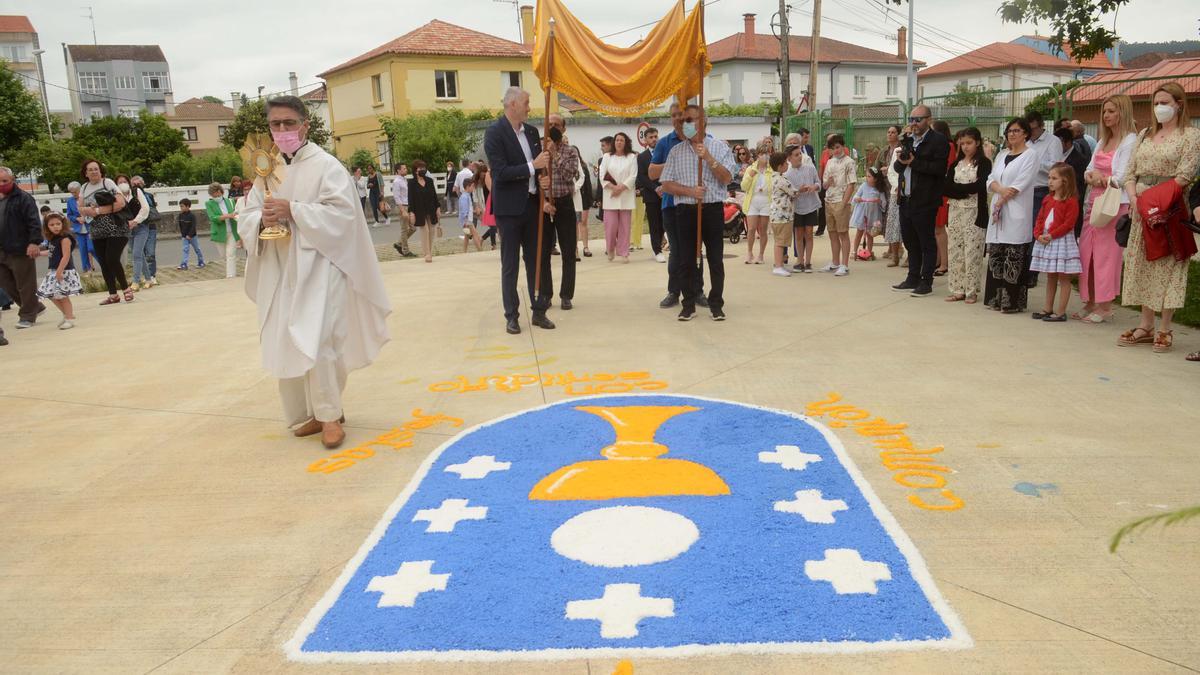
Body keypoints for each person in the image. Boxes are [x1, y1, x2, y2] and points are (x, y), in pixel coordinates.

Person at [237, 95, 391, 450]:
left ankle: (331, 415)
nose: (282, 130)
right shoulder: (267, 168)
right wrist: (264, 218)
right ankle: (311, 414)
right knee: (289, 337)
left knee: (321, 338)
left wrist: (294, 210)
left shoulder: (327, 166)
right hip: (281, 266)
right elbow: (248, 214)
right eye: (275, 124)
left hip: (321, 263)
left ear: (305, 124)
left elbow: (342, 216)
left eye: (289, 123)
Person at [1117, 82, 1200, 353]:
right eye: (1155, 103)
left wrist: (1154, 201)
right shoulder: (1143, 135)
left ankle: (1165, 328)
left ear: (1178, 104)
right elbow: (1130, 173)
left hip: (1170, 209)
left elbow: (1185, 175)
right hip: (1141, 209)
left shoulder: (1190, 135)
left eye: (1164, 102)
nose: (1159, 108)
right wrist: (1133, 198)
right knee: (1142, 264)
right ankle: (1145, 324)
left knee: (1167, 267)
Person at [484, 86, 554, 334]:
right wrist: (532, 167)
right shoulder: (494, 133)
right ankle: (511, 315)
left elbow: (539, 169)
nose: (529, 107)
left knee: (537, 261)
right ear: (512, 104)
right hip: (509, 210)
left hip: (533, 206)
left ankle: (539, 311)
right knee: (510, 264)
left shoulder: (533, 132)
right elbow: (500, 173)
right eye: (525, 102)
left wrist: (543, 180)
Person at [660, 103, 736, 321]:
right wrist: (690, 191)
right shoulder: (676, 151)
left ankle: (716, 303)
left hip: (711, 209)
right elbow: (666, 184)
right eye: (685, 120)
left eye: (692, 119)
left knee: (715, 258)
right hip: (685, 210)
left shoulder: (719, 147)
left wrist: (709, 158)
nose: (687, 124)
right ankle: (688, 303)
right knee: (686, 259)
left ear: (704, 122)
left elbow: (727, 178)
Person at [1077, 94, 1137, 323]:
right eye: (1105, 112)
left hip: (1114, 204)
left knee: (1107, 255)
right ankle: (1089, 300)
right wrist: (1093, 176)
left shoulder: (1129, 140)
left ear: (1123, 112)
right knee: (1087, 252)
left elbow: (1122, 176)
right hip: (1094, 201)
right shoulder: (1102, 140)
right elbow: (1089, 169)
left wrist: (1101, 178)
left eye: (1112, 111)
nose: (1107, 115)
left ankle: (1105, 305)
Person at [649, 103, 706, 309]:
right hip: (671, 205)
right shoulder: (665, 143)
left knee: (696, 249)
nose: (676, 119)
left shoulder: (701, 141)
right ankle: (674, 291)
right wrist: (677, 161)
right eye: (673, 115)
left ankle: (697, 290)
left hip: (694, 204)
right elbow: (652, 172)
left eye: (680, 115)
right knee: (677, 250)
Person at [892, 106, 949, 297]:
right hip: (905, 198)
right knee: (910, 241)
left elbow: (939, 169)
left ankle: (926, 281)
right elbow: (899, 167)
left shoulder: (938, 141)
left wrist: (913, 162)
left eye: (918, 119)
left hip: (925, 199)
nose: (914, 123)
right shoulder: (908, 140)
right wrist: (903, 155)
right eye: (911, 119)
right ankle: (912, 277)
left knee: (926, 242)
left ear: (929, 120)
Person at [984, 118, 1039, 313]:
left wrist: (1002, 197)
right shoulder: (1002, 154)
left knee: (1013, 256)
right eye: (1009, 131)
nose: (1012, 134)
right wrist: (999, 190)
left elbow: (1021, 183)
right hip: (999, 211)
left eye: (1017, 130)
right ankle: (995, 298)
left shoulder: (1030, 155)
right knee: (997, 253)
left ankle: (1011, 302)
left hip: (1015, 210)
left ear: (1025, 133)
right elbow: (991, 179)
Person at [942, 127, 991, 304]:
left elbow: (979, 186)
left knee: (972, 250)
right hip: (955, 210)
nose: (965, 147)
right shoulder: (956, 164)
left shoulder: (983, 163)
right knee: (955, 249)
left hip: (974, 211)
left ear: (977, 142)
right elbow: (946, 186)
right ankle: (957, 288)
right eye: (962, 143)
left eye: (969, 143)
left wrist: (960, 189)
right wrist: (962, 191)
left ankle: (971, 290)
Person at [1029, 163, 1082, 321]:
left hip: (1061, 241)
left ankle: (1060, 312)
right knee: (1050, 276)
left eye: (1054, 178)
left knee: (1063, 277)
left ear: (1065, 181)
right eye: (1049, 178)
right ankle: (1047, 308)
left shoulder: (1071, 201)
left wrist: (1052, 235)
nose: (1050, 181)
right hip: (1046, 240)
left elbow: (1068, 224)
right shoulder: (1047, 198)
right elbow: (1040, 218)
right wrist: (1038, 234)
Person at [78, 159, 132, 305]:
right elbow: (80, 208)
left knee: (112, 258)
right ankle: (113, 294)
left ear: (101, 171)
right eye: (90, 169)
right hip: (96, 229)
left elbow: (120, 203)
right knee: (103, 262)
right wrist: (87, 211)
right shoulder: (83, 187)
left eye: (96, 169)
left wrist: (97, 210)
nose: (94, 172)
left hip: (116, 227)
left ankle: (126, 289)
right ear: (85, 173)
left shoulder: (107, 183)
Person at [1025, 110, 1068, 288]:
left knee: (1037, 231)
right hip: (1024, 190)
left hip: (1042, 189)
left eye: (1034, 129)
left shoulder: (1053, 141)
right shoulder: (1025, 141)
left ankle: (1031, 273)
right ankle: (1023, 268)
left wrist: (1033, 161)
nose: (1031, 133)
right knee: (1024, 231)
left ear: (1040, 125)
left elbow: (1057, 166)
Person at [0, 166, 47, 327]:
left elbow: (34, 221)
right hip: (1, 249)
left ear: (12, 180)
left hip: (20, 246)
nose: (1, 184)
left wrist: (34, 242)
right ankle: (35, 307)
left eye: (4, 181)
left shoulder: (23, 198)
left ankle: (27, 316)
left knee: (25, 283)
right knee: (6, 284)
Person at [543, 113, 580, 307]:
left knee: (568, 251)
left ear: (563, 129)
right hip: (544, 205)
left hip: (564, 203)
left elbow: (568, 175)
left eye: (557, 125)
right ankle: (545, 294)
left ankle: (566, 295)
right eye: (550, 124)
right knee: (543, 252)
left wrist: (555, 155)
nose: (553, 128)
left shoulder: (570, 151)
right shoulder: (539, 150)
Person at [35, 212, 81, 329]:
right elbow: (52, 253)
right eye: (52, 225)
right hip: (54, 270)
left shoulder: (65, 238)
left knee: (62, 295)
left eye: (58, 224)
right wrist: (39, 253)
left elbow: (65, 256)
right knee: (50, 294)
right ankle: (67, 314)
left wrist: (59, 271)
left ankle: (69, 318)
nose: (55, 226)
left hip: (63, 270)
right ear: (47, 227)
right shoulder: (52, 239)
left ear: (62, 224)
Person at [820, 134, 857, 276]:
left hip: (841, 201)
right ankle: (835, 262)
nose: (835, 150)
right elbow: (824, 184)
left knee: (843, 233)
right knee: (832, 233)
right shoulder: (829, 162)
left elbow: (851, 184)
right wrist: (827, 183)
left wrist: (844, 202)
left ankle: (845, 264)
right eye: (832, 148)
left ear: (843, 146)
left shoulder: (849, 162)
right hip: (829, 200)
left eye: (837, 147)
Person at [598, 132, 639, 263]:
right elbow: (601, 175)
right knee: (611, 226)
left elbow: (633, 176)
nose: (619, 142)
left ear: (626, 142)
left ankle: (624, 252)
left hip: (626, 195)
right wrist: (613, 188)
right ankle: (610, 248)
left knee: (625, 227)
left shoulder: (632, 157)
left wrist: (620, 188)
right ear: (614, 143)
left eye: (622, 140)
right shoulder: (607, 157)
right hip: (611, 196)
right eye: (617, 140)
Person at [785, 143, 821, 273]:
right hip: (797, 207)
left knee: (809, 233)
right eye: (796, 155)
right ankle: (800, 260)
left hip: (810, 205)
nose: (799, 156)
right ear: (789, 158)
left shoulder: (810, 168)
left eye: (800, 153)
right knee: (798, 234)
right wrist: (798, 191)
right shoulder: (787, 174)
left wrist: (814, 187)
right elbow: (789, 193)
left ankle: (808, 262)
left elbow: (818, 182)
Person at [767, 151, 800, 277]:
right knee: (781, 242)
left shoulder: (774, 177)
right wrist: (801, 189)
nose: (788, 164)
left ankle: (779, 264)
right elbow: (794, 192)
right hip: (783, 216)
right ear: (780, 166)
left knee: (779, 241)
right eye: (786, 163)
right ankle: (778, 266)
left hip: (777, 215)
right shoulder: (781, 179)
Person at [740, 141, 774, 265]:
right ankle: (749, 252)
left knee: (763, 230)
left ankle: (761, 254)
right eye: (762, 153)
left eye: (767, 153)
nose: (765, 156)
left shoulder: (771, 169)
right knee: (751, 229)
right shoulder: (751, 168)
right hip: (753, 202)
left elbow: (774, 186)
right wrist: (750, 176)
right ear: (758, 155)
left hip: (766, 202)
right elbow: (743, 186)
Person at [116, 175, 152, 291]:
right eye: (119, 182)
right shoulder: (117, 196)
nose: (122, 184)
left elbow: (145, 208)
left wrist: (135, 221)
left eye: (124, 181)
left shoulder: (136, 192)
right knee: (139, 254)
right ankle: (148, 279)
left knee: (136, 255)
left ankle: (135, 282)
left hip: (141, 227)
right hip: (127, 229)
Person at [637, 126, 666, 262]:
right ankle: (657, 250)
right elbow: (642, 177)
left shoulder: (665, 153)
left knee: (664, 223)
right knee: (654, 224)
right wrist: (655, 188)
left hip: (666, 193)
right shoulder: (642, 157)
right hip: (651, 195)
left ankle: (661, 243)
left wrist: (664, 187)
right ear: (645, 140)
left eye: (656, 136)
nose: (654, 139)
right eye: (651, 137)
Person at [931, 120, 956, 276]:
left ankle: (944, 263)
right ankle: (938, 260)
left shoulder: (949, 146)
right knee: (935, 229)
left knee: (939, 228)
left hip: (941, 191)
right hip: (935, 190)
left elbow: (947, 168)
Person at [880, 125, 905, 267]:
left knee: (905, 226)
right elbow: (891, 171)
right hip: (894, 192)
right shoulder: (896, 151)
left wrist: (903, 187)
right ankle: (894, 256)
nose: (890, 134)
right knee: (893, 225)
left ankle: (908, 256)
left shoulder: (912, 152)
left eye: (893, 132)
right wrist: (897, 186)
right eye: (888, 132)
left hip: (907, 193)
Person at [849, 167, 887, 261]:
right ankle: (854, 251)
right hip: (863, 213)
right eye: (866, 176)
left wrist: (879, 201)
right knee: (859, 232)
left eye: (869, 176)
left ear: (875, 178)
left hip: (873, 214)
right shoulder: (863, 186)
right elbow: (856, 195)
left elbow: (883, 202)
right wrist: (857, 198)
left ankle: (869, 252)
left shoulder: (879, 189)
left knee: (870, 234)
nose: (867, 178)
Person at [205, 182, 241, 279]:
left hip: (232, 232)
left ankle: (231, 276)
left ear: (221, 192)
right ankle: (230, 272)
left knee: (231, 254)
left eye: (218, 193)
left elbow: (235, 213)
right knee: (223, 255)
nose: (216, 196)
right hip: (219, 233)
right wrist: (227, 216)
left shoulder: (230, 201)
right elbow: (213, 218)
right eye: (214, 195)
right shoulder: (209, 204)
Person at [408, 160, 441, 263]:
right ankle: (426, 253)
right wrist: (411, 212)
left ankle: (429, 252)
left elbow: (435, 196)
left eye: (423, 168)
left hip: (431, 209)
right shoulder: (411, 183)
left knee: (431, 231)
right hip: (419, 210)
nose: (422, 170)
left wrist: (438, 208)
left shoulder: (429, 181)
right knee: (424, 231)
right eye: (420, 168)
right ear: (415, 170)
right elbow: (411, 198)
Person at [64, 182, 97, 273]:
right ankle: (87, 269)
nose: (73, 194)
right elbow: (69, 215)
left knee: (91, 248)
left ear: (80, 190)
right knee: (82, 250)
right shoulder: (70, 201)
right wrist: (77, 219)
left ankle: (104, 263)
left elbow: (94, 212)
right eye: (71, 192)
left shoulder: (87, 198)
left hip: (90, 227)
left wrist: (85, 218)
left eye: (75, 192)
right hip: (79, 228)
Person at [132, 176, 159, 287]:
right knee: (139, 254)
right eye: (135, 185)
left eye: (140, 184)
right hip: (137, 227)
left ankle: (151, 276)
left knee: (150, 253)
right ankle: (147, 277)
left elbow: (151, 210)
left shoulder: (148, 196)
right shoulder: (130, 197)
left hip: (150, 226)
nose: (138, 187)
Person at [391, 163, 417, 257]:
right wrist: (403, 210)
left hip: (408, 206)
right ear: (398, 170)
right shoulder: (396, 181)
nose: (406, 170)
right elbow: (396, 197)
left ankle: (399, 243)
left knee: (413, 228)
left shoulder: (404, 180)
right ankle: (405, 251)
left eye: (406, 168)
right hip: (403, 207)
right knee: (404, 229)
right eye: (404, 168)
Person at [176, 198, 205, 269]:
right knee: (185, 250)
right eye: (180, 206)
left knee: (197, 249)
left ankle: (201, 262)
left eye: (182, 206)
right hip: (184, 237)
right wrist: (183, 235)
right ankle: (184, 264)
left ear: (188, 206)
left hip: (192, 236)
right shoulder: (180, 215)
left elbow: (193, 226)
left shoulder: (192, 216)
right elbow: (180, 226)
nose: (181, 208)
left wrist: (190, 235)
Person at [458, 177, 483, 252]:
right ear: (468, 187)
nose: (473, 188)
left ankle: (464, 251)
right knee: (475, 234)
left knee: (467, 236)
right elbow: (465, 210)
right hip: (467, 220)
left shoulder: (466, 196)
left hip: (467, 219)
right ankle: (480, 249)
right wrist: (466, 221)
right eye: (472, 186)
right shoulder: (465, 197)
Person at [575, 153, 593, 259]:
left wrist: (591, 199)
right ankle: (575, 248)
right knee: (574, 225)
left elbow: (588, 184)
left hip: (584, 199)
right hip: (574, 198)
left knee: (583, 223)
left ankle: (586, 247)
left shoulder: (584, 167)